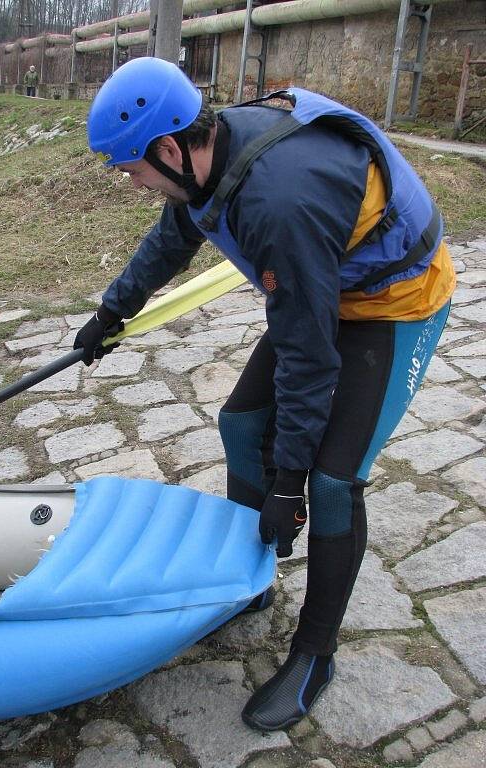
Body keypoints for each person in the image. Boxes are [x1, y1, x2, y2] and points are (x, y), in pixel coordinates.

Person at [73, 57, 455, 731]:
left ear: (167, 147)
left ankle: (315, 653)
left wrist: (289, 484)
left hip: (394, 304)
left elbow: (309, 360)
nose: (133, 184)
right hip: (321, 285)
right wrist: (113, 312)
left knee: (333, 482)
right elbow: (176, 231)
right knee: (242, 423)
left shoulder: (281, 202)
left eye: (130, 169)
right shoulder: (207, 162)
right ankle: (244, 579)